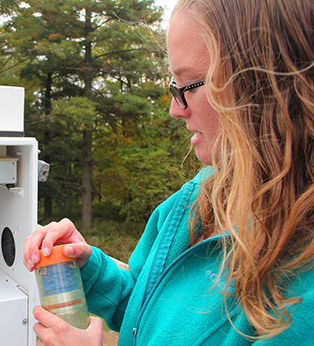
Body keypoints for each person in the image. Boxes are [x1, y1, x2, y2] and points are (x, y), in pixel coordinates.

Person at [24, 0, 314, 344]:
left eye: (188, 86)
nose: (175, 110)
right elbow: (147, 311)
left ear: (263, 86)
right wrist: (90, 269)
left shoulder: (301, 288)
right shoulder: (195, 200)